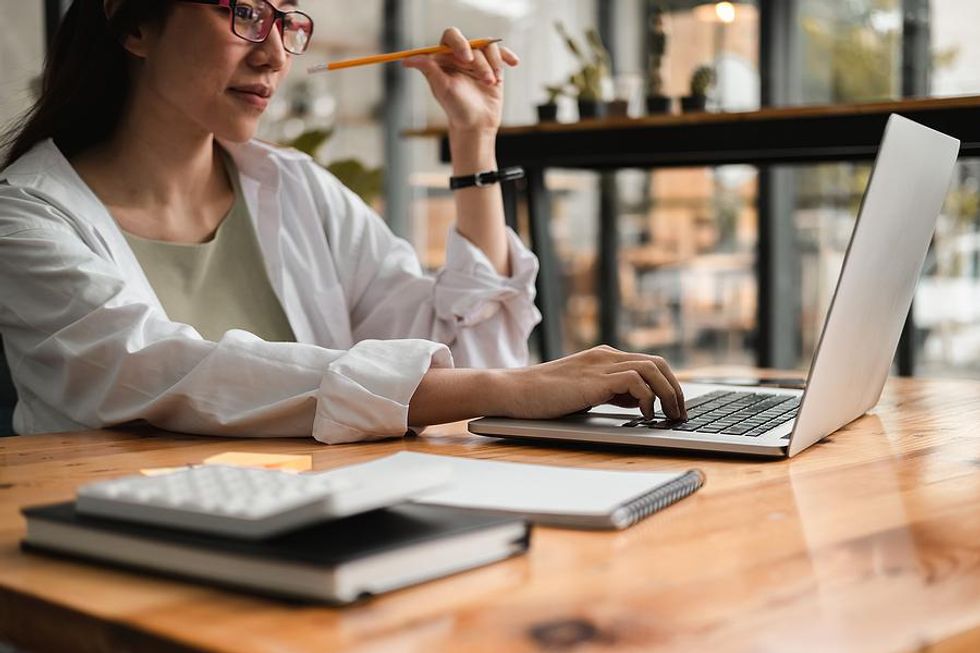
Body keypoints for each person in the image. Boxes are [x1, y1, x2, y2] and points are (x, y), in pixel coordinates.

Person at [0, 0, 685, 442]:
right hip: (113, 556)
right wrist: (507, 387)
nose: (273, 54)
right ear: (135, 23)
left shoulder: (294, 186)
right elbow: (165, 372)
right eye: (242, 13)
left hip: (316, 532)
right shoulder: (28, 214)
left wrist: (474, 143)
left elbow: (473, 360)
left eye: (288, 21)